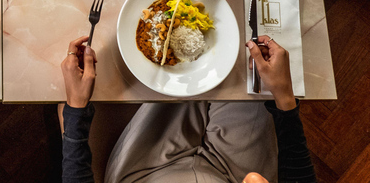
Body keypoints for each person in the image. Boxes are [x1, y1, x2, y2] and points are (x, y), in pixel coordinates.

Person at [60, 34, 317, 183]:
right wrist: (284, 98)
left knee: (175, 75)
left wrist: (75, 107)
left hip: (145, 171)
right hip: (231, 175)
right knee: (249, 81)